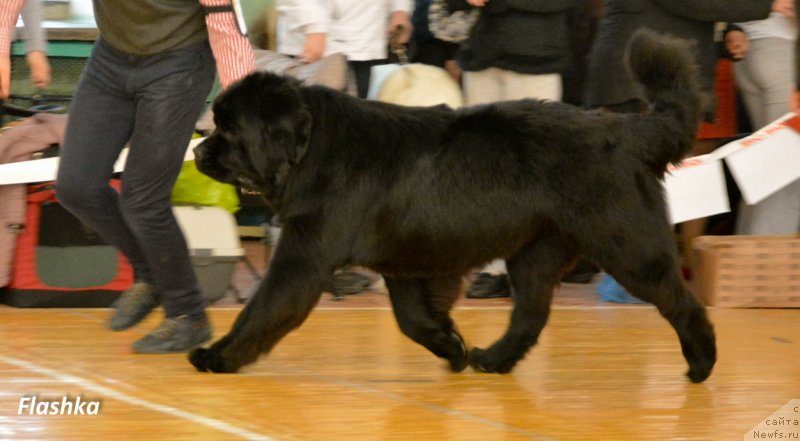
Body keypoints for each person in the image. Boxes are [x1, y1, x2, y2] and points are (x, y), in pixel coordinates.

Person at [1, 0, 256, 353]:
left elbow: (227, 28)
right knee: (76, 187)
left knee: (142, 199)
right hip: (111, 58)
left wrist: (242, 115)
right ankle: (151, 277)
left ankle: (188, 315)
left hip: (178, 63)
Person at [583, 0, 778, 302]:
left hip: (653, 74)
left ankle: (641, 276)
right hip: (634, 77)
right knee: (638, 181)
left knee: (673, 182)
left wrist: (729, 32)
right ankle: (628, 278)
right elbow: (691, 4)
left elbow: (690, 13)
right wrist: (766, 6)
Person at [444, 0, 576, 299]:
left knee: (536, 171)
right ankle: (494, 267)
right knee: (484, 170)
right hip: (482, 57)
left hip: (536, 58)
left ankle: (534, 268)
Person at [726, 7, 800, 235]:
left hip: (749, 48)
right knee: (786, 175)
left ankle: (742, 260)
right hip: (783, 51)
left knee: (766, 172)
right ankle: (765, 267)